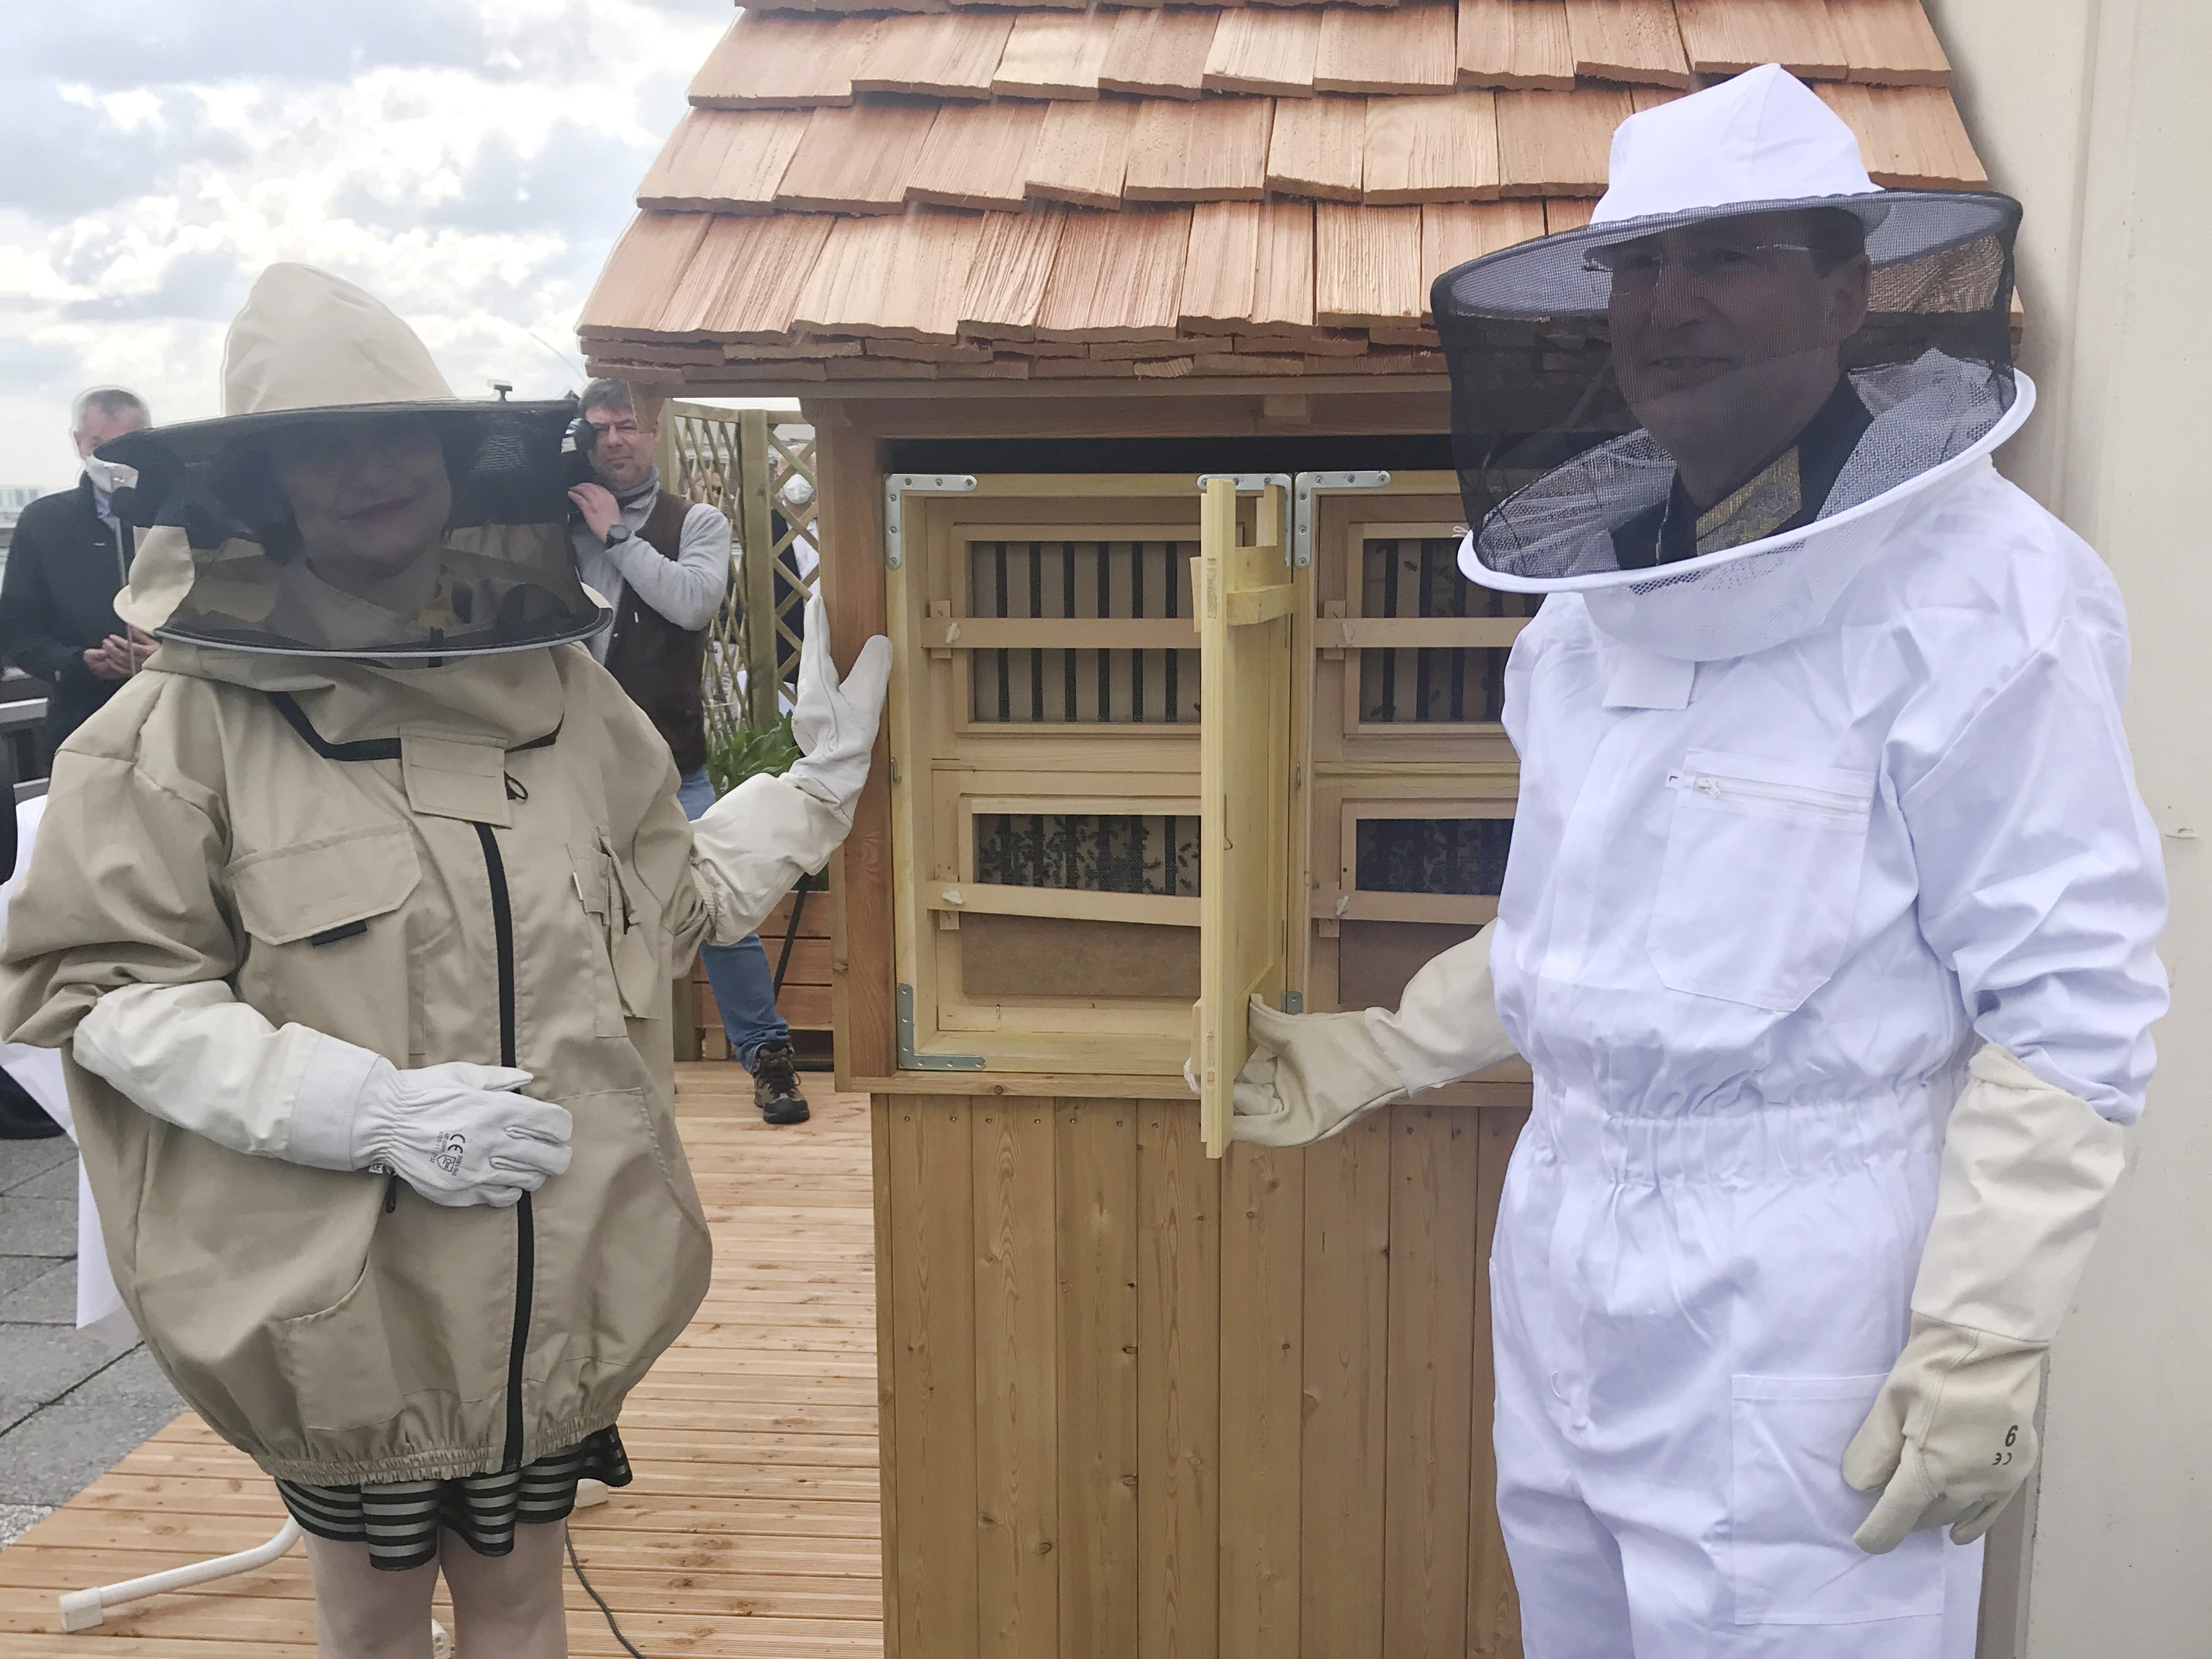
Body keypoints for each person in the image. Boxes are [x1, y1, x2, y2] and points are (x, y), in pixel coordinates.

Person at [1221, 67, 2166, 1658]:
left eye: (1727, 257)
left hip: (1812, 1292)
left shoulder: (1988, 595)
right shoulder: (1594, 609)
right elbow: (1582, 933)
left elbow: (2073, 1004)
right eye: (1639, 267)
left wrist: (1980, 1334)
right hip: (1567, 1251)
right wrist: (1381, 1049)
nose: (1671, 304)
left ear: (1848, 288)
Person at [0, 264, 889, 1659]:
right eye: (320, 445)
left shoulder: (558, 687)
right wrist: (358, 1107)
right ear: (260, 483)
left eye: (392, 435)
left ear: (448, 459)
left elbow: (656, 904)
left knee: (522, 1600)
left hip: (563, 1275)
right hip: (341, 1300)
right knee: (367, 1616)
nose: (367, 472)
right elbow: (97, 990)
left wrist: (815, 790)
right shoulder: (168, 732)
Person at [567, 380, 808, 1126]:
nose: (616, 439)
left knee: (718, 913)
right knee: (568, 911)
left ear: (656, 433)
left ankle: (768, 1060)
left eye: (630, 426)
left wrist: (616, 537)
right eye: (601, 426)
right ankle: (592, 1073)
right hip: (570, 761)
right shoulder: (551, 526)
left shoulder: (695, 520)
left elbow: (693, 603)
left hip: (670, 759)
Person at [0, 388, 157, 750]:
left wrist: (170, 656)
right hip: (84, 725)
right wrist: (77, 663)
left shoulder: (186, 519)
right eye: (98, 444)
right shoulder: (43, 523)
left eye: (127, 445)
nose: (111, 459)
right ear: (78, 443)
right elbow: (19, 630)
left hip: (181, 719)